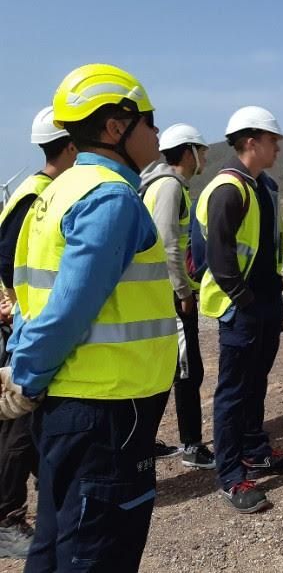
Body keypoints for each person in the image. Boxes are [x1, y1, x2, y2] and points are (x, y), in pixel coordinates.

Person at [4, 64, 178, 570]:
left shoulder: (54, 192)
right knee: (96, 553)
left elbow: (29, 295)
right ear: (115, 127)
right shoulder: (111, 197)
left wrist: (23, 369)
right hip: (105, 409)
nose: (157, 132)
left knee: (57, 547)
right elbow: (65, 311)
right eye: (148, 120)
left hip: (74, 403)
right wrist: (27, 377)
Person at [198, 105, 283, 514]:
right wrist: (245, 303)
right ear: (250, 141)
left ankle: (256, 450)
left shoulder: (261, 185)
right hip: (241, 307)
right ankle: (229, 475)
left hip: (264, 303)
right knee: (233, 392)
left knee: (255, 384)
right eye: (272, 141)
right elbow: (221, 259)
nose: (278, 148)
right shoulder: (229, 188)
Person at [0, 106, 74, 559]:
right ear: (69, 147)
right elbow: (9, 261)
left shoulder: (40, 190)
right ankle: (7, 518)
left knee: (29, 432)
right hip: (29, 328)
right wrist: (20, 305)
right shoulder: (36, 195)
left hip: (32, 324)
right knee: (20, 430)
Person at [140, 123, 216, 469]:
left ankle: (143, 442)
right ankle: (191, 445)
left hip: (161, 293)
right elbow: (168, 245)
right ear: (188, 152)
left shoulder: (164, 185)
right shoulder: (169, 187)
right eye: (201, 150)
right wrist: (183, 292)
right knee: (187, 371)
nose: (205, 157)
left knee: (171, 370)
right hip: (170, 296)